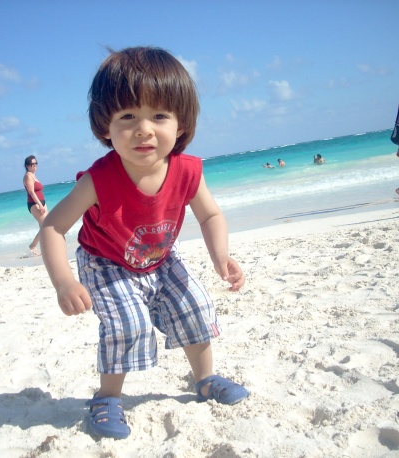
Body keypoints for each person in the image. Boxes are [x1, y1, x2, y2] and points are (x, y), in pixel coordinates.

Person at [40, 46, 248, 440]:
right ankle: (106, 398)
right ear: (105, 125)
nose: (144, 129)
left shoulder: (187, 170)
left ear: (181, 124)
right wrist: (65, 282)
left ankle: (205, 379)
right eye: (128, 116)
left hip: (161, 257)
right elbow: (53, 227)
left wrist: (221, 256)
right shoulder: (99, 178)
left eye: (159, 115)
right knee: (127, 325)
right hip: (106, 263)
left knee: (195, 307)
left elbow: (210, 215)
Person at [23, 155, 48, 255]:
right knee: (45, 226)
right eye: (31, 164)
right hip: (34, 204)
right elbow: (32, 192)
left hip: (42, 202)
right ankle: (33, 245)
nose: (34, 165)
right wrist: (40, 205)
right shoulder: (28, 176)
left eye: (35, 163)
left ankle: (43, 247)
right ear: (27, 165)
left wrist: (43, 204)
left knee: (45, 225)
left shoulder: (34, 175)